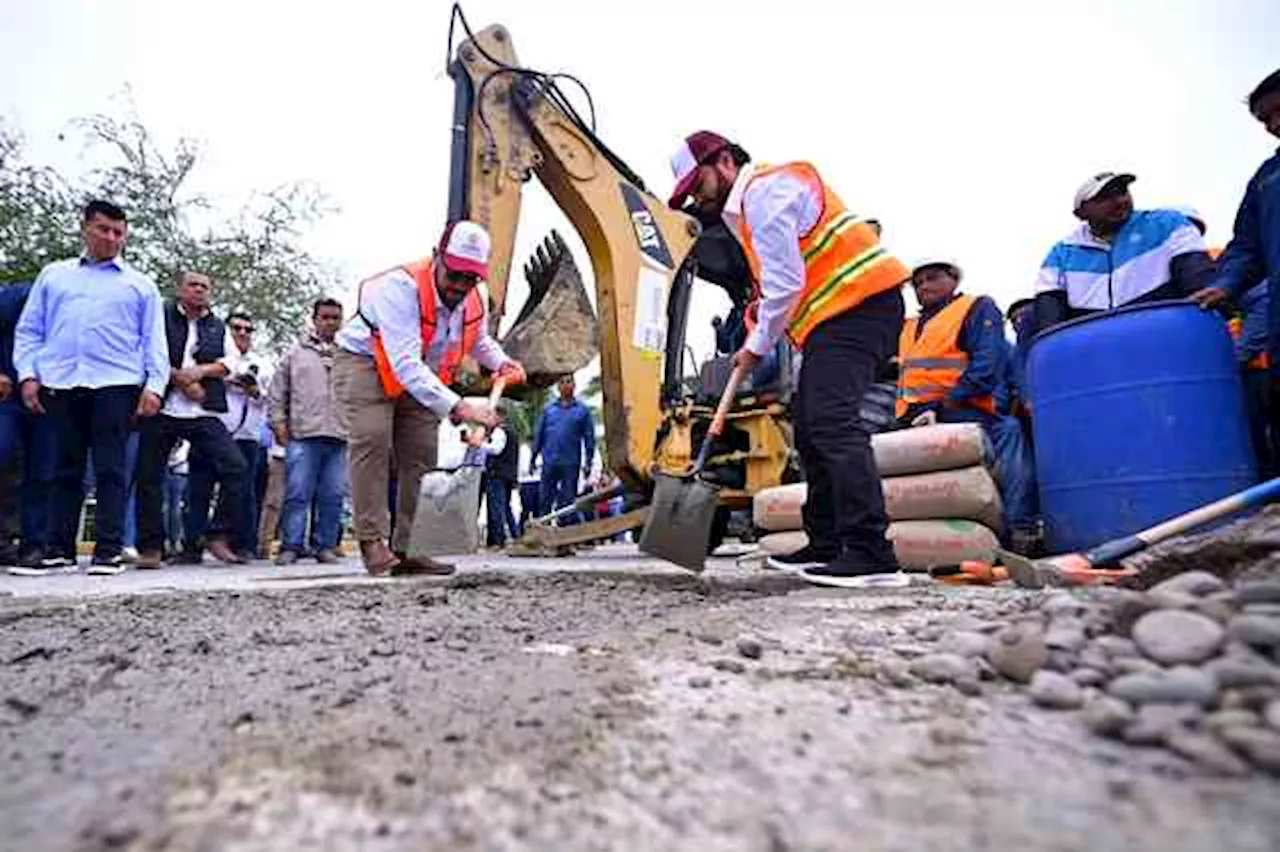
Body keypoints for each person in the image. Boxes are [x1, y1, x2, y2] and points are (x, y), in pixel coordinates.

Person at [668, 130, 910, 586]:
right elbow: (782, 285)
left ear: (723, 161)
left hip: (861, 307)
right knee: (810, 422)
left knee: (832, 421)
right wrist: (760, 315)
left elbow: (787, 284)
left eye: (696, 185)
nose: (697, 198)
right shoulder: (747, 212)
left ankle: (871, 552)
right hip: (836, 317)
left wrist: (756, 344)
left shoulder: (764, 193)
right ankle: (826, 541)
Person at [334, 219, 525, 576]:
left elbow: (479, 341)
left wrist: (503, 362)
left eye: (470, 279)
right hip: (368, 364)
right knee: (373, 439)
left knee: (421, 454)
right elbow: (404, 364)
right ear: (438, 256)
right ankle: (372, 542)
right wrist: (461, 407)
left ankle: (412, 547)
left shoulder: (472, 298)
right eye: (454, 275)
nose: (460, 286)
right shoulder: (400, 288)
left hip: (422, 372)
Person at [12, 200, 170, 575]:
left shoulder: (139, 284)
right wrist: (28, 375)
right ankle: (59, 549)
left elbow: (154, 341)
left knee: (111, 468)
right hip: (62, 381)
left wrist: (155, 386)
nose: (111, 238)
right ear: (86, 228)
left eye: (119, 233)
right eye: (104, 229)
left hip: (116, 383)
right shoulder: (54, 276)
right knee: (64, 468)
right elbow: (31, 330)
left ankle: (108, 550)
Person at [896, 261, 1039, 547]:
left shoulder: (976, 308)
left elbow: (986, 366)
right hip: (911, 416)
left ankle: (1020, 528)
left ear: (954, 279)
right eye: (918, 282)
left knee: (1008, 435)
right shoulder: (909, 326)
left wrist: (946, 403)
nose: (924, 286)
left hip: (963, 409)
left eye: (932, 278)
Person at [1193, 68, 1280, 468]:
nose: (1274, 125)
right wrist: (1225, 284)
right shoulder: (1267, 180)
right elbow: (1247, 247)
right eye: (1266, 120)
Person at [133, 271, 249, 568]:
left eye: (204, 286)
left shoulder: (217, 326)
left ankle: (217, 534)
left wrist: (200, 373)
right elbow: (143, 352)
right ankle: (151, 548)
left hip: (201, 411)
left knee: (235, 468)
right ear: (180, 289)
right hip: (162, 405)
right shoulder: (160, 316)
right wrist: (180, 379)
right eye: (193, 285)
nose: (199, 290)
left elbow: (232, 363)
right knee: (149, 476)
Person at [1033, 172, 1216, 333]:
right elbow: (1050, 322)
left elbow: (1199, 282)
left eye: (1122, 192)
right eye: (1104, 197)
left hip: (1167, 335)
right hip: (1095, 352)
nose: (1119, 201)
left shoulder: (1168, 223)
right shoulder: (1060, 254)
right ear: (1081, 213)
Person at [186, 311, 272, 560]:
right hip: (211, 427)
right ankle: (191, 545)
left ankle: (235, 541)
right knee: (198, 489)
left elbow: (268, 395)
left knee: (242, 491)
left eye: (248, 329)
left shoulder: (263, 363)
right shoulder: (210, 359)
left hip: (247, 434)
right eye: (237, 328)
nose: (242, 333)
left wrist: (253, 389)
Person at [270, 298, 349, 565]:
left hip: (339, 434)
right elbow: (277, 391)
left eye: (335, 318)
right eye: (325, 317)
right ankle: (291, 545)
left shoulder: (348, 354)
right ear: (314, 319)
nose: (330, 323)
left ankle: (325, 545)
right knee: (297, 492)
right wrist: (278, 422)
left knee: (333, 494)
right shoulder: (295, 354)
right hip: (304, 433)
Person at [0, 282, 57, 572]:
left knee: (43, 472)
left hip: (53, 395)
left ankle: (33, 544)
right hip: (8, 392)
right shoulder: (22, 295)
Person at [530, 375, 595, 525]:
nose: (566, 385)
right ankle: (543, 531)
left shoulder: (583, 411)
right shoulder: (549, 410)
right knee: (545, 498)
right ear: (557, 387)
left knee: (567, 500)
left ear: (574, 385)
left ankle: (565, 534)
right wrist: (533, 459)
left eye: (569, 381)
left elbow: (589, 438)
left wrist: (588, 463)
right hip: (550, 461)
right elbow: (539, 435)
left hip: (571, 462)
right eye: (562, 382)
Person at [482, 404, 520, 547]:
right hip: (509, 474)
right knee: (505, 506)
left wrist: (480, 444)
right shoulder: (513, 432)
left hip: (497, 473)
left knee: (496, 507)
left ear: (499, 416)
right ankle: (515, 535)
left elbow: (496, 450)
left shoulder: (499, 432)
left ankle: (498, 540)